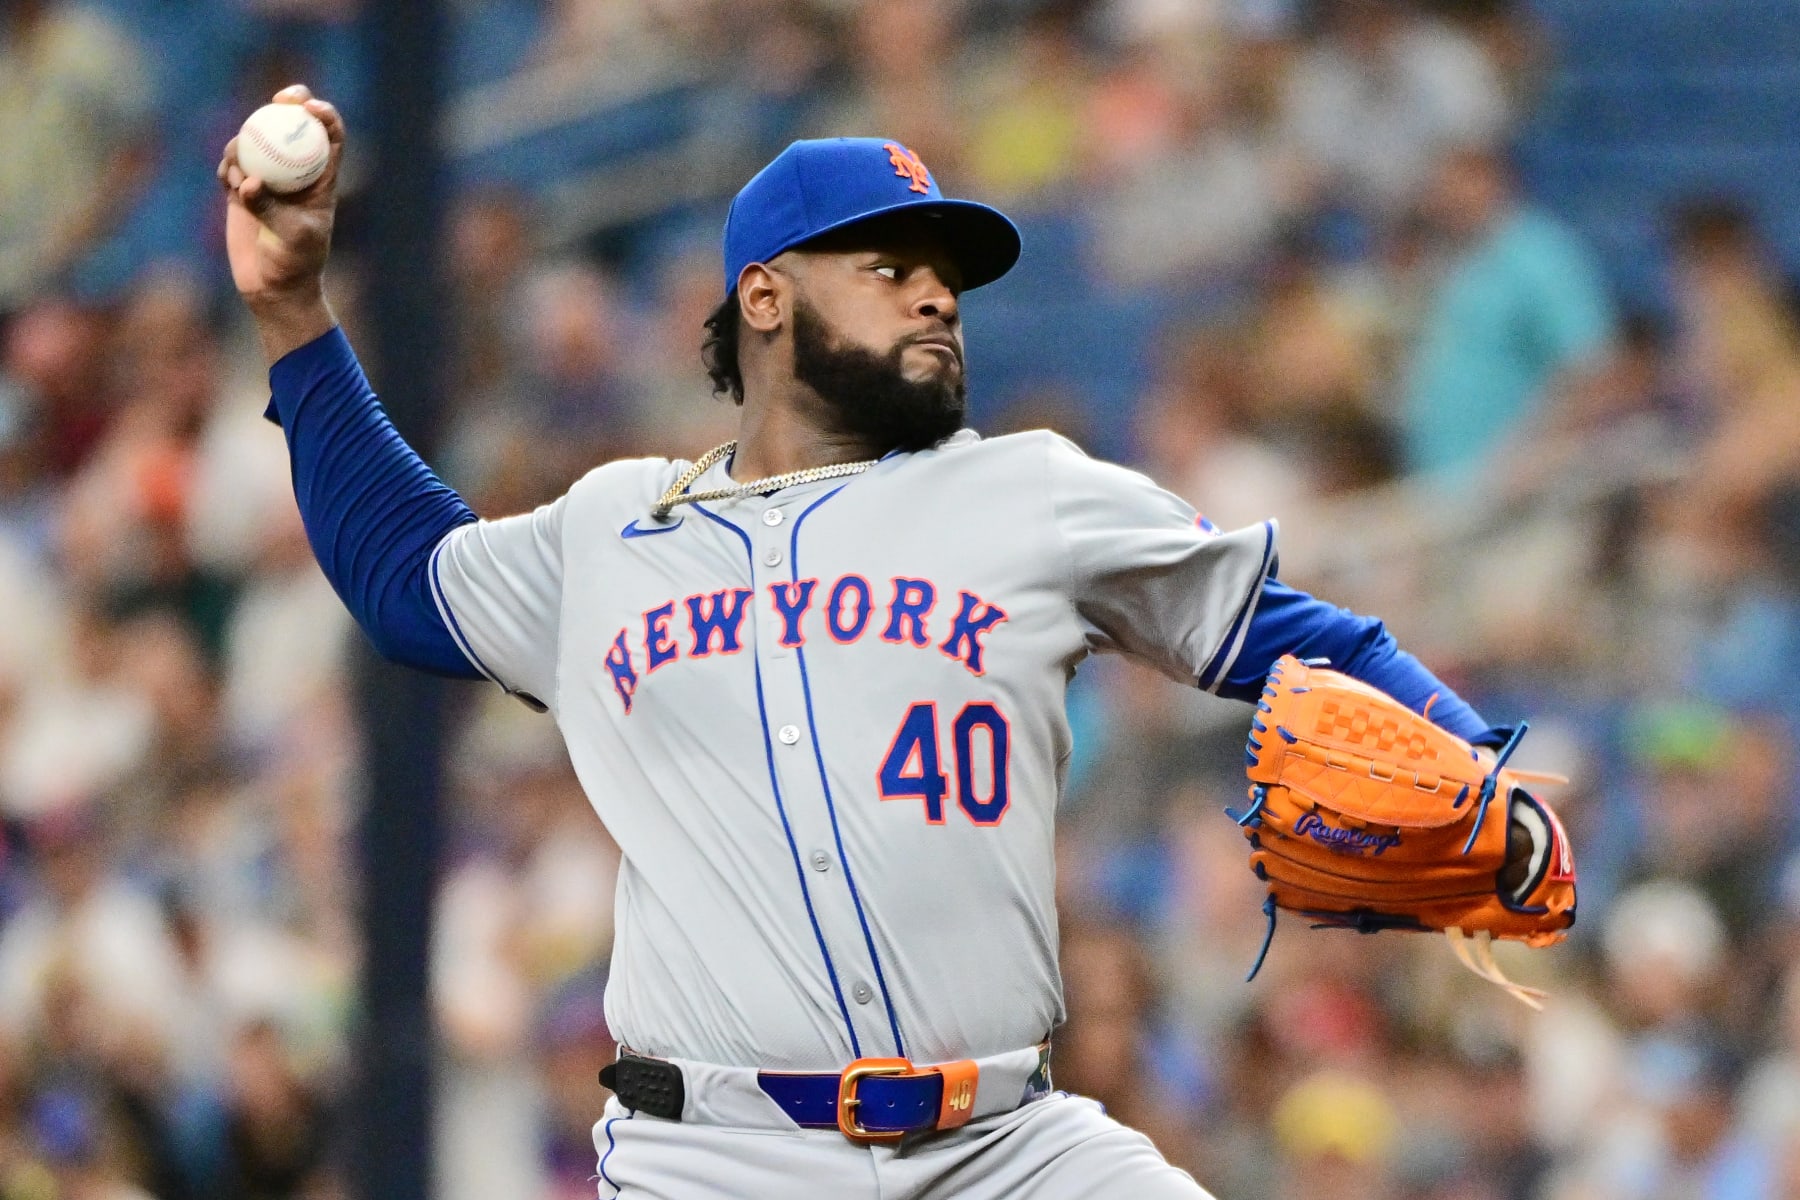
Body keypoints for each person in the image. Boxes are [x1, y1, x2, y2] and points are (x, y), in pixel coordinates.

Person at [218, 84, 1539, 1200]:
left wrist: (1476, 761)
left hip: (1004, 1148)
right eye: (891, 267)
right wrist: (293, 319)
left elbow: (1289, 634)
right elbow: (405, 575)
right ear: (768, 298)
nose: (936, 299)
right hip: (713, 1159)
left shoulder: (1031, 493)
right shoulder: (613, 529)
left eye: (946, 276)